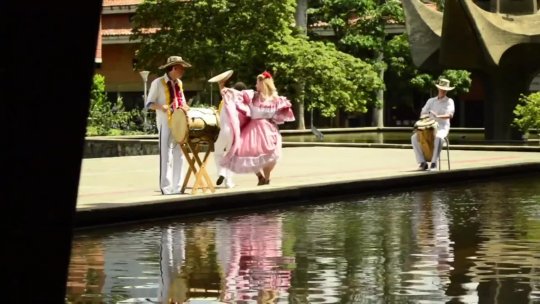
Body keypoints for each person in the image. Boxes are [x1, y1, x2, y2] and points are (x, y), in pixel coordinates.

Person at [219, 71, 295, 185]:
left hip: (270, 131)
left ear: (263, 83)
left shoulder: (276, 99)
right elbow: (236, 94)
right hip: (253, 130)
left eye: (257, 83)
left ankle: (267, 178)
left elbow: (280, 115)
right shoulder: (252, 96)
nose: (255, 85)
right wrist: (223, 88)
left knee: (271, 157)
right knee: (246, 153)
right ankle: (260, 177)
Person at [145, 56, 191, 194]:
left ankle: (178, 187)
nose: (183, 71)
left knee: (180, 155)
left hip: (179, 124)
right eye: (181, 68)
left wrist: (185, 107)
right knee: (166, 156)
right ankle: (166, 188)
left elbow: (182, 101)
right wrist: (161, 106)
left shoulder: (179, 83)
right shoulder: (157, 83)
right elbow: (148, 104)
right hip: (165, 124)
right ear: (174, 68)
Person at [411, 78, 455, 171]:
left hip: (442, 127)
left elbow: (450, 115)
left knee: (438, 138)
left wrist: (437, 116)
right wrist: (427, 116)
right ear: (438, 89)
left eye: (445, 89)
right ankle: (422, 163)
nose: (443, 91)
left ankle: (434, 163)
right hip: (428, 126)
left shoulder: (449, 101)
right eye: (441, 88)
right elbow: (422, 113)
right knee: (414, 137)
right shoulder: (431, 101)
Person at [214, 81, 247, 189]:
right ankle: (228, 182)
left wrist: (221, 84)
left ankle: (221, 172)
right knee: (231, 156)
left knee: (218, 151)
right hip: (234, 131)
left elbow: (223, 92)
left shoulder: (227, 99)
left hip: (224, 130)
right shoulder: (242, 104)